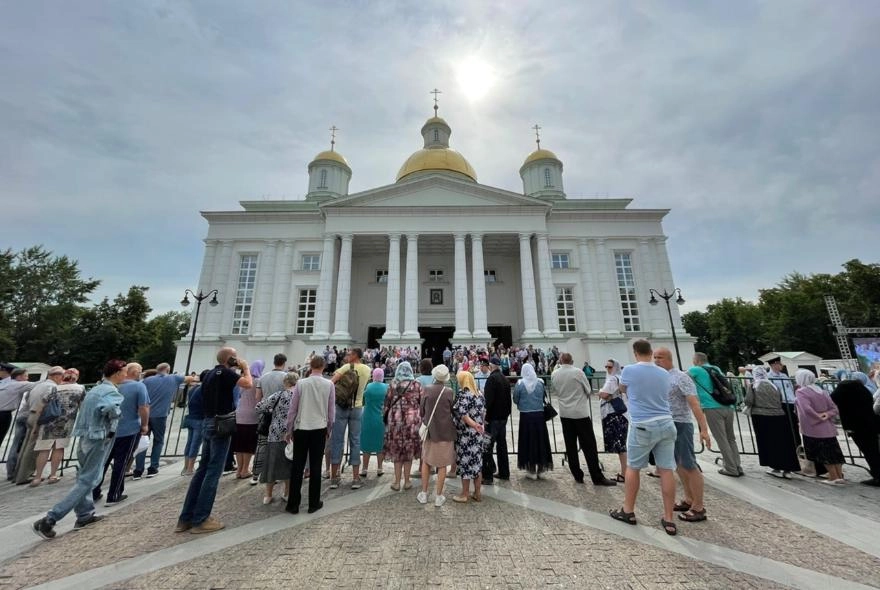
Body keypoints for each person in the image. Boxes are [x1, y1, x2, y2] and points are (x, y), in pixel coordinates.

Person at [32, 360, 126, 539]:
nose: (125, 375)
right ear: (116, 373)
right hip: (99, 437)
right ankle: (50, 519)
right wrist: (119, 413)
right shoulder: (111, 391)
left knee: (84, 476)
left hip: (85, 437)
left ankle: (84, 515)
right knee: (89, 480)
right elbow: (112, 410)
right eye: (124, 372)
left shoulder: (96, 389)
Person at [176, 348, 252, 534]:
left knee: (202, 469)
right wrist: (246, 368)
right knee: (213, 472)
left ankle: (185, 518)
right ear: (231, 359)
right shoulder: (225, 373)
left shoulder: (207, 374)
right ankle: (201, 519)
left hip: (208, 421)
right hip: (221, 423)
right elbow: (248, 384)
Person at [609, 339, 678, 536]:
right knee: (666, 470)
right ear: (651, 352)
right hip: (666, 423)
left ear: (635, 352)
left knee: (633, 468)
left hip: (643, 425)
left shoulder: (630, 370)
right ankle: (669, 518)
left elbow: (622, 389)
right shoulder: (664, 373)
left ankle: (628, 510)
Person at [654, 348, 711, 523]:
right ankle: (688, 499)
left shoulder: (680, 377)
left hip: (681, 424)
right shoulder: (660, 377)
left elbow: (694, 403)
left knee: (688, 464)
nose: (656, 360)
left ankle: (699, 506)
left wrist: (703, 429)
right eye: (654, 357)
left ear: (669, 359)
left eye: (660, 358)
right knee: (678, 464)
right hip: (666, 424)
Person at [552, 352, 616, 486]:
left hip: (565, 413)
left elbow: (556, 391)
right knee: (589, 446)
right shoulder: (578, 372)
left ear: (560, 361)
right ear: (572, 361)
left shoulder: (554, 373)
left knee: (570, 445)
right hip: (580, 413)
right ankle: (596, 476)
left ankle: (577, 475)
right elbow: (588, 390)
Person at [285, 356, 335, 515]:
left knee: (297, 467)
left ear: (310, 366)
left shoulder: (300, 383)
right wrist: (329, 429)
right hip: (319, 428)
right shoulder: (329, 384)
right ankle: (314, 503)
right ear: (324, 367)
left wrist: (289, 429)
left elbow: (293, 409)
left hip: (301, 427)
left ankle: (293, 504)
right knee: (315, 466)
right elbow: (331, 412)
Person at [92, 363, 148, 504]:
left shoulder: (106, 386)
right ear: (134, 372)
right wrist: (145, 424)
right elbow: (144, 407)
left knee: (103, 462)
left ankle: (94, 492)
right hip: (128, 429)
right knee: (121, 462)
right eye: (140, 371)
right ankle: (114, 494)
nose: (140, 374)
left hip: (107, 430)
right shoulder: (138, 386)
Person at [135, 363, 196, 479]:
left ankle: (138, 470)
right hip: (160, 415)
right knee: (158, 441)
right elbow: (190, 378)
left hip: (145, 414)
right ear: (168, 370)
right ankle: (153, 467)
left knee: (142, 441)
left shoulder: (147, 380)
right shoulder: (173, 378)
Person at [688, 352, 742, 477]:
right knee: (731, 438)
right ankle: (737, 465)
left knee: (721, 439)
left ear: (696, 360)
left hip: (711, 406)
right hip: (727, 405)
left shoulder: (695, 369)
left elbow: (682, 378)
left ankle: (730, 468)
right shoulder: (716, 368)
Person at [30, 368, 85, 487]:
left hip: (48, 422)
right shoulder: (80, 389)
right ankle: (53, 475)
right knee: (58, 449)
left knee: (44, 450)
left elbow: (41, 406)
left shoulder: (54, 388)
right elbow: (82, 407)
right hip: (66, 423)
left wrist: (36, 426)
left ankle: (37, 477)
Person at [743, 366, 800, 478]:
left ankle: (775, 467)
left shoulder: (754, 385)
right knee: (783, 442)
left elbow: (748, 400)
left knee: (769, 442)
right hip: (778, 415)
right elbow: (780, 398)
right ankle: (788, 468)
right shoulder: (774, 386)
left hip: (761, 416)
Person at [14, 366, 66, 485]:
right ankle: (24, 476)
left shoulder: (39, 385)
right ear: (57, 376)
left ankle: (18, 474)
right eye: (62, 376)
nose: (62, 379)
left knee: (26, 446)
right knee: (33, 448)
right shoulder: (52, 386)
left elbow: (27, 398)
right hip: (39, 417)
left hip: (30, 414)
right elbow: (44, 403)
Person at [330, 348, 371, 490]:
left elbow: (331, 383)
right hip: (357, 407)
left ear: (355, 356)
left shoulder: (346, 367)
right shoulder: (367, 369)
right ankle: (355, 478)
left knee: (337, 440)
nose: (347, 356)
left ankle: (334, 477)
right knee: (355, 441)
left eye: (349, 354)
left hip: (341, 407)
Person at [795, 369, 845, 484]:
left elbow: (806, 408)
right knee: (833, 451)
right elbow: (834, 408)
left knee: (824, 453)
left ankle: (833, 477)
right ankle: (839, 475)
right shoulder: (822, 391)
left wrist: (817, 417)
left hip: (814, 427)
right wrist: (826, 415)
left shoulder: (801, 392)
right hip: (828, 426)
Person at [254, 371, 297, 504]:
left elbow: (259, 407)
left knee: (271, 464)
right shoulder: (298, 396)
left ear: (285, 382)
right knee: (289, 464)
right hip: (292, 434)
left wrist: (272, 411)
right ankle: (287, 493)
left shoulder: (278, 395)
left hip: (275, 433)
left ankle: (268, 495)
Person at [831, 375, 880, 486]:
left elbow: (832, 399)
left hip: (857, 428)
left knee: (870, 452)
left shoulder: (845, 392)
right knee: (873, 451)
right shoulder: (864, 393)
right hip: (871, 425)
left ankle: (878, 475)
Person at [418, 365, 455, 507]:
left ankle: (424, 493)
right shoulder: (449, 391)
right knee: (443, 464)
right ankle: (439, 496)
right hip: (445, 431)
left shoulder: (427, 389)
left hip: (430, 431)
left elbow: (421, 410)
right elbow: (452, 409)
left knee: (426, 461)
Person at [384, 361, 423, 491]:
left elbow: (387, 403)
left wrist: (385, 417)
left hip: (395, 421)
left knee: (396, 450)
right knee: (408, 450)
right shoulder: (417, 385)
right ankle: (407, 481)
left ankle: (396, 481)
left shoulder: (393, 384)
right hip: (411, 422)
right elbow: (421, 403)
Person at [513, 363, 553, 480]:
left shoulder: (520, 384)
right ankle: (541, 468)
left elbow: (515, 399)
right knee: (540, 441)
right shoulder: (540, 383)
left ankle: (531, 469)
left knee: (528, 441)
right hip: (539, 415)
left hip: (526, 416)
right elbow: (543, 398)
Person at [453, 371, 485, 503]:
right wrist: (480, 425)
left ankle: (464, 493)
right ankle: (477, 493)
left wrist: (474, 425)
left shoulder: (463, 394)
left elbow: (463, 414)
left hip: (466, 434)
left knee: (465, 462)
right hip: (478, 435)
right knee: (477, 463)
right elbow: (484, 412)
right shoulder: (479, 394)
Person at [232, 359, 263, 483]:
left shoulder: (242, 381)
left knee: (239, 443)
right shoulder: (257, 381)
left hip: (239, 414)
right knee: (248, 444)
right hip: (252, 415)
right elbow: (259, 398)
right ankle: (245, 469)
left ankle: (239, 470)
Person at [598, 359, 628, 482]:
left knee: (620, 446)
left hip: (614, 413)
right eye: (606, 367)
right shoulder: (620, 378)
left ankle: (624, 474)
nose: (607, 369)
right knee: (621, 445)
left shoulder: (612, 379)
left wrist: (600, 392)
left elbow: (604, 394)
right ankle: (625, 472)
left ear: (614, 367)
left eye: (609, 367)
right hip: (621, 413)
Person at [482, 357, 511, 484]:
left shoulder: (491, 379)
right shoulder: (505, 378)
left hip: (492, 419)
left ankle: (488, 476)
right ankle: (504, 472)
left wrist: (485, 418)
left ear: (491, 366)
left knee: (487, 446)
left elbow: (488, 401)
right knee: (502, 446)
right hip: (503, 418)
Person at [0, 367, 36, 456]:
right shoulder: (18, 384)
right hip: (3, 415)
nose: (27, 378)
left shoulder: (3, 384)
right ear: (19, 377)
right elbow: (38, 384)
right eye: (26, 376)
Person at [361, 368, 388, 478]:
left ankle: (364, 469)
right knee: (380, 444)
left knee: (366, 444)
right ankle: (380, 468)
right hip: (380, 418)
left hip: (368, 418)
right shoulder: (386, 387)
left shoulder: (369, 387)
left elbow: (364, 398)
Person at [181, 382, 204, 476]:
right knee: (195, 444)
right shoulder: (203, 389)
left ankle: (186, 466)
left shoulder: (193, 388)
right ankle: (190, 468)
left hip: (190, 417)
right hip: (199, 418)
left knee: (189, 443)